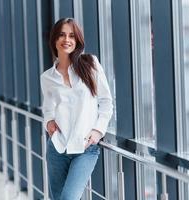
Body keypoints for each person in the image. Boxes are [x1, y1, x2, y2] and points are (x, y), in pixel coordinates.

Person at [40, 18, 113, 200]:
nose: (67, 39)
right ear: (55, 40)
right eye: (62, 35)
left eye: (72, 36)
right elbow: (48, 108)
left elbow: (106, 102)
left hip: (85, 148)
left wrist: (98, 130)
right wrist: (48, 121)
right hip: (57, 148)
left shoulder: (91, 64)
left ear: (78, 40)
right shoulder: (47, 77)